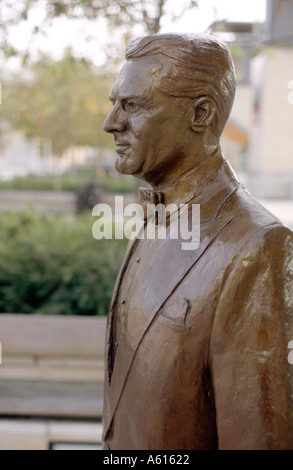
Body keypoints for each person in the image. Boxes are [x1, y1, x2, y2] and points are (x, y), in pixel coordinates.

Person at [101, 33, 293, 450]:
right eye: (115, 102)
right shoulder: (155, 213)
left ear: (200, 113)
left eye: (134, 105)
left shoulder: (258, 248)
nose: (112, 121)